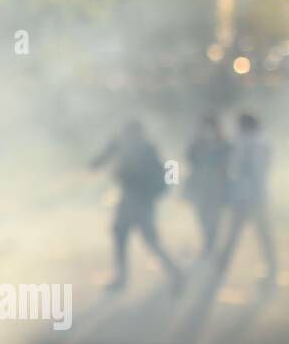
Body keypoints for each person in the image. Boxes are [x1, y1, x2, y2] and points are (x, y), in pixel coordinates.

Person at [90, 120, 182, 291]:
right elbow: (100, 160)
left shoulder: (145, 149)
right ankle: (122, 277)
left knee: (147, 240)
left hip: (139, 201)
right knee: (122, 234)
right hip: (132, 200)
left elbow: (100, 162)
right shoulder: (142, 147)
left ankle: (174, 273)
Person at [219, 112, 277, 282]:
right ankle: (272, 266)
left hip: (245, 197)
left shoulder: (243, 143)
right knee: (263, 234)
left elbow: (236, 168)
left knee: (234, 234)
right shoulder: (264, 143)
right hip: (257, 196)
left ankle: (222, 266)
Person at [185, 113, 230, 257]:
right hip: (199, 187)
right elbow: (188, 161)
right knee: (202, 217)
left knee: (215, 218)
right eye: (205, 127)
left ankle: (210, 246)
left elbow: (227, 164)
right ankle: (208, 243)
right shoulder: (195, 144)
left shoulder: (224, 145)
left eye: (210, 127)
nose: (207, 130)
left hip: (217, 188)